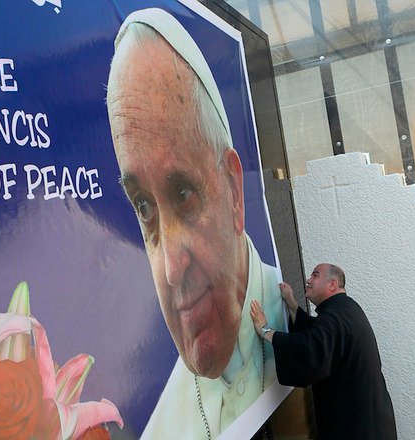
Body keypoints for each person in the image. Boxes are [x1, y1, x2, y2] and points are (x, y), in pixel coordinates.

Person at [106, 8, 285, 439]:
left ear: (234, 193)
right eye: (144, 207)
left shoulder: (294, 324)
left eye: (183, 194)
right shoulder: (161, 429)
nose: (170, 268)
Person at [250, 263, 397, 439]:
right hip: (370, 422)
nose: (308, 280)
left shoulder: (336, 317)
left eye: (315, 275)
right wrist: (292, 305)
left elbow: (311, 348)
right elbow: (320, 335)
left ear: (332, 284)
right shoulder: (346, 309)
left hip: (358, 429)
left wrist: (265, 331)